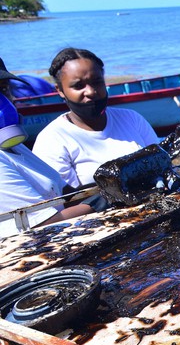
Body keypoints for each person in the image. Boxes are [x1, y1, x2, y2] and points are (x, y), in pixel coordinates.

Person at [32, 48, 159, 188]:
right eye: (78, 86)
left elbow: (162, 165)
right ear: (60, 90)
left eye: (97, 82)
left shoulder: (132, 119)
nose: (91, 92)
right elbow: (68, 200)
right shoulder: (52, 140)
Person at [0, 62, 96, 239]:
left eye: (4, 89)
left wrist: (107, 185)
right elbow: (42, 225)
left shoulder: (13, 146)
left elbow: (65, 193)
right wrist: (98, 203)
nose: (4, 103)